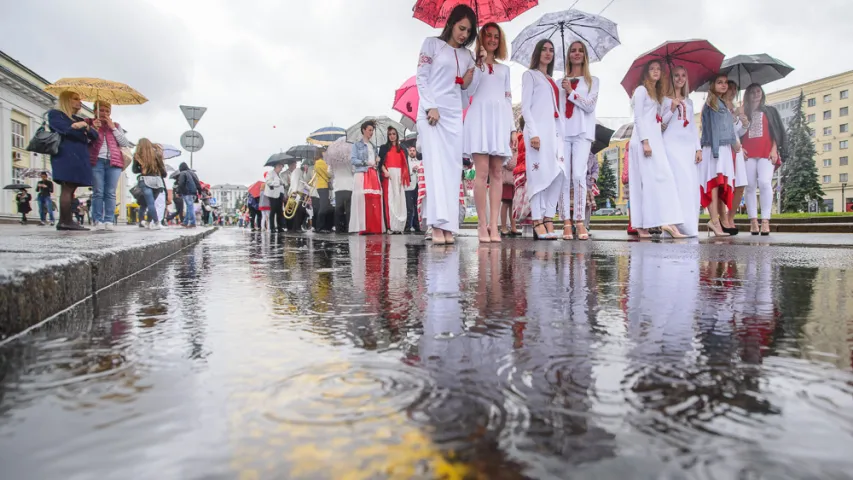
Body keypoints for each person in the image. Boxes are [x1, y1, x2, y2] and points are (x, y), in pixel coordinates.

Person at [416, 3, 477, 245]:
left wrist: (470, 78)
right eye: (461, 28)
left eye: (469, 32)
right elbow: (422, 77)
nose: (464, 35)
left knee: (452, 171)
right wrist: (431, 105)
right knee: (435, 169)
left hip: (453, 116)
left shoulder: (467, 56)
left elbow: (466, 94)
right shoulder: (431, 44)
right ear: (451, 23)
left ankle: (449, 225)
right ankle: (436, 225)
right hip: (431, 114)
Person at [463, 22, 516, 243]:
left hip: (499, 121)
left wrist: (512, 129)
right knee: (481, 172)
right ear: (481, 39)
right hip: (479, 120)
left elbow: (508, 99)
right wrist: (478, 64)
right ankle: (481, 225)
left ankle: (495, 226)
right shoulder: (474, 64)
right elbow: (469, 90)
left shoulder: (505, 70)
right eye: (488, 36)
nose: (492, 39)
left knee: (497, 173)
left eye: (496, 36)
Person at [627, 60, 686, 239]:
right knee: (644, 183)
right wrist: (645, 141)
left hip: (655, 141)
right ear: (646, 72)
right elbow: (638, 118)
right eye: (651, 68)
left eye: (658, 69)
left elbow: (660, 123)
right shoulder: (641, 91)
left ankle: (663, 221)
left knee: (662, 179)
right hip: (643, 141)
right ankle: (642, 225)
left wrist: (672, 109)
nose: (655, 71)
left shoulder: (656, 95)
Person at [521, 39, 563, 241]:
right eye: (544, 50)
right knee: (538, 177)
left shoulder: (552, 80)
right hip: (537, 132)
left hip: (554, 133)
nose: (548, 53)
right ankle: (537, 219)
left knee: (558, 173)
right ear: (537, 53)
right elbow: (525, 107)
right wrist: (533, 133)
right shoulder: (530, 76)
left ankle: (548, 216)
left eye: (551, 50)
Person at [559, 41, 599, 241]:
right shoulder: (561, 81)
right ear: (568, 55)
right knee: (564, 177)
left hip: (583, 133)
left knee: (579, 175)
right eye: (573, 50)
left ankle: (580, 220)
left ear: (585, 55)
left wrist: (571, 92)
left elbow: (589, 106)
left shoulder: (592, 81)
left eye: (580, 50)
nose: (576, 54)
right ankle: (566, 221)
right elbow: (557, 110)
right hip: (564, 133)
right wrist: (564, 88)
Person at [661, 65, 703, 237]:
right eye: (676, 75)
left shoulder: (690, 101)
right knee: (676, 183)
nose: (680, 78)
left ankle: (688, 226)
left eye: (683, 75)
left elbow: (693, 126)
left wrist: (698, 148)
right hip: (670, 145)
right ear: (671, 78)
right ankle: (672, 223)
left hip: (688, 148)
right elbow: (661, 124)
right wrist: (671, 108)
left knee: (689, 184)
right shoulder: (663, 100)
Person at [47, 91, 99, 231]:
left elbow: (95, 135)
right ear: (66, 100)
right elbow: (65, 131)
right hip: (66, 155)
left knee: (71, 189)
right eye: (75, 99)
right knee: (67, 187)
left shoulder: (77, 119)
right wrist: (80, 130)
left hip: (78, 157)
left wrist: (86, 126)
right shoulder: (56, 114)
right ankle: (66, 221)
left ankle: (65, 220)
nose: (79, 102)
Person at [742, 83, 786, 236]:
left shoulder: (770, 111)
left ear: (762, 93)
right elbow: (736, 132)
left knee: (765, 183)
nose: (755, 94)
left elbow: (776, 132)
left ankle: (766, 220)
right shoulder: (743, 111)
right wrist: (740, 148)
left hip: (766, 152)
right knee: (750, 186)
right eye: (752, 92)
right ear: (747, 94)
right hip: (747, 153)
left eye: (758, 91)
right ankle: (753, 220)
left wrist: (775, 149)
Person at [700, 74, 739, 237]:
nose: (723, 85)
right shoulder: (713, 103)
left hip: (722, 148)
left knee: (718, 185)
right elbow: (714, 129)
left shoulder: (721, 103)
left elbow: (726, 127)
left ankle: (716, 221)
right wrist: (717, 151)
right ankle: (714, 221)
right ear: (712, 85)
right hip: (716, 148)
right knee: (714, 185)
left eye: (725, 82)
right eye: (719, 82)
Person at [86, 100, 131, 231]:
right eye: (101, 110)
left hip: (114, 162)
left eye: (107, 111)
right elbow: (85, 141)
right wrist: (93, 128)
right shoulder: (89, 122)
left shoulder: (116, 125)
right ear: (95, 111)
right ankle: (97, 220)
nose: (104, 113)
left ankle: (109, 220)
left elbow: (124, 142)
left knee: (110, 192)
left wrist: (113, 128)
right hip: (97, 160)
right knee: (98, 191)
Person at [720, 80, 748, 235]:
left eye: (735, 89)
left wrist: (744, 124)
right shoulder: (720, 105)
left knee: (740, 184)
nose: (732, 91)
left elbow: (737, 131)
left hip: (737, 148)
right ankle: (722, 218)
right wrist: (734, 115)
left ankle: (731, 217)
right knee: (724, 184)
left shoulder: (735, 107)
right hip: (726, 147)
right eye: (730, 88)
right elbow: (723, 127)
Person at [349, 120, 383, 235]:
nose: (371, 132)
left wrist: (377, 161)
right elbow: (353, 160)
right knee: (362, 200)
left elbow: (375, 162)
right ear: (363, 130)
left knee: (374, 199)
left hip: (373, 173)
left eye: (372, 130)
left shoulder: (373, 146)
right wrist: (367, 162)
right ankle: (363, 227)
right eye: (369, 130)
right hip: (362, 173)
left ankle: (374, 227)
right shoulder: (356, 145)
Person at [378, 126, 411, 234]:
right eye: (390, 134)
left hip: (399, 176)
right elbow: (380, 163)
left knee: (400, 201)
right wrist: (385, 171)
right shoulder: (383, 148)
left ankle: (399, 226)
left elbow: (405, 164)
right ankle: (390, 226)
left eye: (393, 134)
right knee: (390, 200)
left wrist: (403, 176)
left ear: (397, 135)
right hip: (389, 176)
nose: (392, 136)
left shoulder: (402, 148)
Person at [132, 138, 168, 229]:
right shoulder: (157, 154)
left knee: (149, 203)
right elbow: (163, 171)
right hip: (157, 180)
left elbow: (135, 170)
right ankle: (148, 222)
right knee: (150, 203)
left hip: (145, 180)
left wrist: (142, 167)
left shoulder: (137, 156)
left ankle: (155, 223)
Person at [331, 154, 354, 233]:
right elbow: (354, 170)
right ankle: (349, 227)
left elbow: (329, 172)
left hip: (338, 186)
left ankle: (338, 228)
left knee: (338, 209)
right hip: (349, 186)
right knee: (349, 209)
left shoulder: (333, 162)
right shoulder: (350, 160)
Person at [176, 162, 201, 228]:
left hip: (187, 192)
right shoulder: (193, 173)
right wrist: (199, 191)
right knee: (189, 207)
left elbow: (181, 183)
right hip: (194, 193)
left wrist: (178, 192)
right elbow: (198, 183)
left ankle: (192, 222)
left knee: (190, 207)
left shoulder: (183, 173)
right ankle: (185, 222)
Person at [312, 156, 333, 233]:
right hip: (323, 186)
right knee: (323, 207)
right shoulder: (322, 162)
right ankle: (320, 227)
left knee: (323, 206)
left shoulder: (317, 163)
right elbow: (329, 174)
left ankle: (320, 226)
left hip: (319, 186)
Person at [403, 145, 421, 233]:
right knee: (409, 207)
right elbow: (404, 173)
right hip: (409, 187)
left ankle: (417, 226)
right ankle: (407, 227)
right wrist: (412, 171)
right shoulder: (406, 162)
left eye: (414, 150)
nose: (412, 152)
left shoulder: (419, 161)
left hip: (418, 186)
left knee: (417, 206)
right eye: (411, 150)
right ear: (408, 151)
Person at [265, 162, 287, 233]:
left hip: (279, 194)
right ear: (276, 166)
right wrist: (277, 183)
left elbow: (281, 184)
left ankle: (279, 227)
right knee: (273, 211)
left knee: (279, 211)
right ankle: (272, 227)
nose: (281, 168)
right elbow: (268, 182)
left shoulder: (279, 175)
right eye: (280, 167)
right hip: (273, 195)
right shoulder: (270, 173)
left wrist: (283, 184)